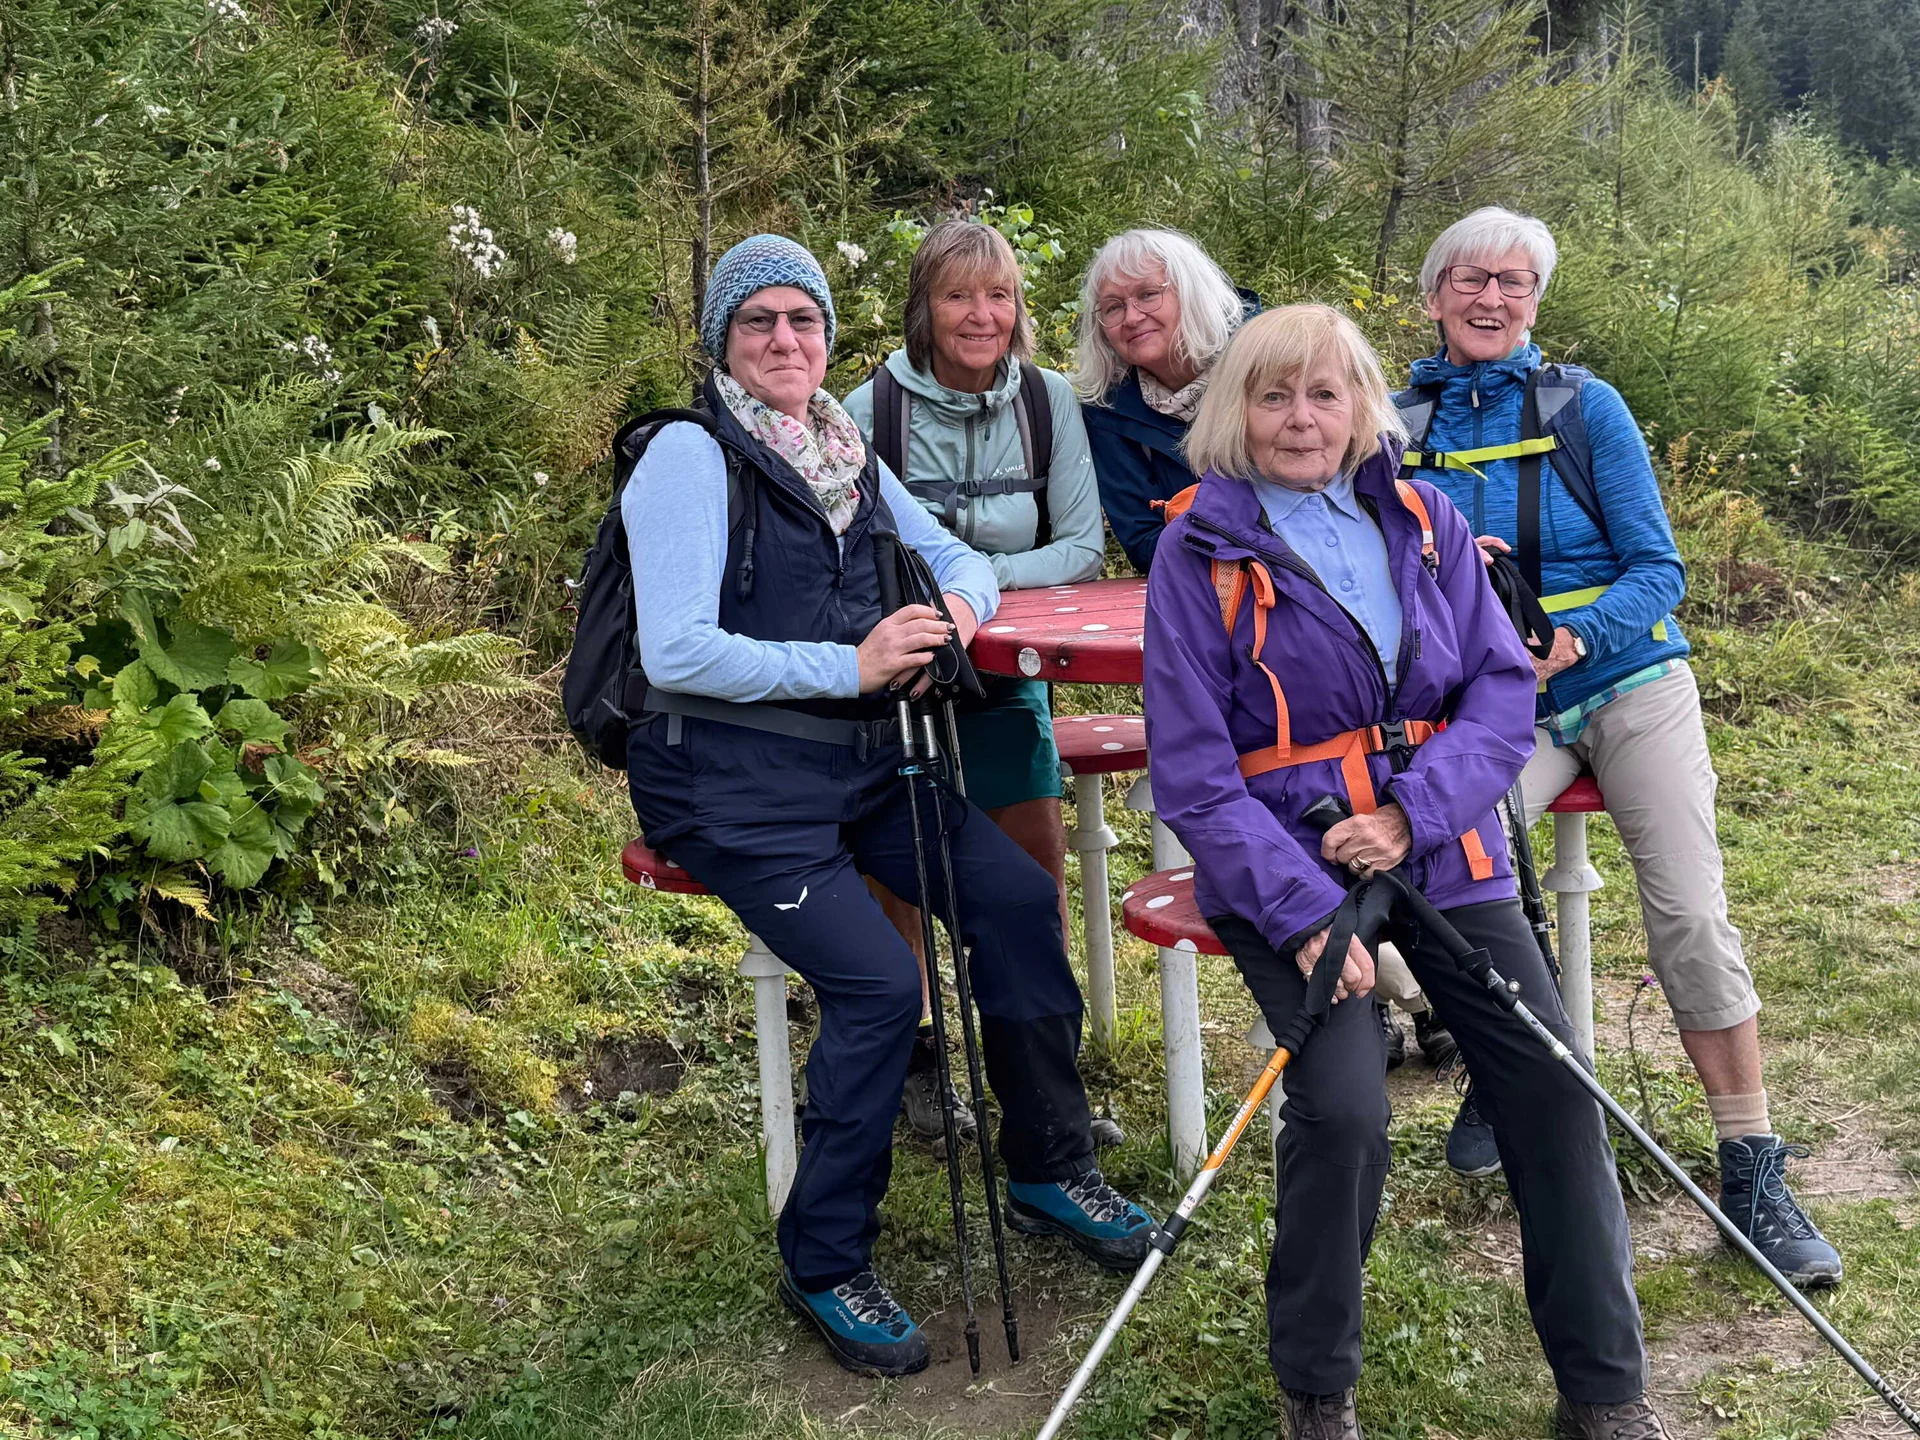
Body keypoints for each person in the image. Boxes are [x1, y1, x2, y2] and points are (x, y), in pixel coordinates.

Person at [623, 235, 1154, 1379]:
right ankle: (823, 1258)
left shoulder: (841, 448)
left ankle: (1049, 1166)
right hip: (727, 786)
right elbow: (674, 651)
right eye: (758, 321)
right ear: (722, 340)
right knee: (874, 986)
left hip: (859, 769)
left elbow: (956, 557)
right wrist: (852, 667)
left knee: (1014, 899)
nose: (784, 341)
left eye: (802, 321)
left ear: (827, 338)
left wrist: (955, 617)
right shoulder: (685, 455)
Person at [1143, 303, 1667, 1440]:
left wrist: (1407, 816)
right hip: (1289, 866)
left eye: (1324, 393)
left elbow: (1499, 693)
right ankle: (1317, 1389)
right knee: (1343, 1114)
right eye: (1274, 394)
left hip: (1443, 852)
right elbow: (1191, 775)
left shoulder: (1426, 520)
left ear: (1362, 404)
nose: (1300, 418)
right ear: (1237, 408)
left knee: (1553, 1087)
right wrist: (1295, 916)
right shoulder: (1199, 551)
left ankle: (1604, 1393)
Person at [1401, 206, 1842, 1287]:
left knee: (1688, 911)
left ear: (1537, 302)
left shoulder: (1588, 408)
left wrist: (1571, 637)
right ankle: (1511, 1065)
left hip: (1631, 682)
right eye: (1470, 279)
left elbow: (1660, 567)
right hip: (1499, 705)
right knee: (1445, 861)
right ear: (1435, 296)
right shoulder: (1397, 423)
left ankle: (1751, 1166)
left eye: (1513, 282)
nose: (1491, 299)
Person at [843, 219, 1114, 1147]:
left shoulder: (1047, 403)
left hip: (1007, 676)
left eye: (998, 295)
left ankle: (1041, 1082)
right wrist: (969, 584)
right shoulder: (862, 413)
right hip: (905, 671)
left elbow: (1083, 547)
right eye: (958, 295)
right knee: (906, 866)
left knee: (1034, 866)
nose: (981, 314)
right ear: (923, 307)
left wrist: (971, 584)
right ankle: (919, 1063)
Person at [1072, 226, 1253, 574]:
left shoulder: (1265, 362)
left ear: (1191, 292)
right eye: (1113, 307)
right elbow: (1143, 542)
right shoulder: (1106, 412)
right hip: (1197, 590)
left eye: (1148, 294)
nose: (1132, 317)